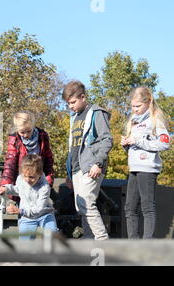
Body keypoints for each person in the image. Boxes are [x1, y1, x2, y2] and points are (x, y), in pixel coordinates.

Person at [63, 80, 112, 240]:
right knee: (81, 206)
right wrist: (69, 174)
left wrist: (98, 163)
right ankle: (89, 242)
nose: (70, 106)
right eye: (68, 103)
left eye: (73, 102)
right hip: (77, 169)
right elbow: (74, 147)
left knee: (86, 204)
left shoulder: (96, 112)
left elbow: (106, 139)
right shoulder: (75, 117)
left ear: (83, 97)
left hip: (91, 166)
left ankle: (102, 240)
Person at [121, 86, 170, 239]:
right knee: (129, 208)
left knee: (147, 207)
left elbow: (164, 144)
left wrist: (139, 141)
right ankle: (133, 243)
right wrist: (127, 145)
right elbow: (135, 146)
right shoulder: (133, 121)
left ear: (148, 102)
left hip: (148, 168)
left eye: (138, 106)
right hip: (134, 167)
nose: (134, 109)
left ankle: (147, 243)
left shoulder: (155, 119)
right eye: (132, 106)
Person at [0, 154, 58, 240]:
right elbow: (18, 189)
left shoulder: (44, 187)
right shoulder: (21, 179)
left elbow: (38, 209)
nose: (27, 180)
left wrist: (20, 211)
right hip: (27, 217)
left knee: (52, 235)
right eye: (25, 176)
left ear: (40, 174)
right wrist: (6, 188)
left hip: (44, 214)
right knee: (25, 242)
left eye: (31, 177)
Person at [0, 111, 55, 198]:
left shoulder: (42, 137)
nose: (26, 135)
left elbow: (48, 160)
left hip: (39, 180)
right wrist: (5, 185)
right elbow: (10, 164)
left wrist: (48, 181)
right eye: (22, 132)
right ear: (17, 129)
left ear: (33, 126)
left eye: (29, 131)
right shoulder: (15, 140)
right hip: (22, 180)